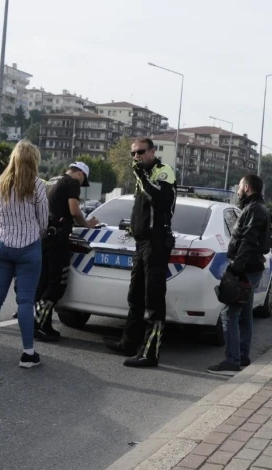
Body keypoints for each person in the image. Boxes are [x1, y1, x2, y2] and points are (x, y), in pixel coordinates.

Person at [0, 140, 49, 368]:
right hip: (29, 248)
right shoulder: (37, 186)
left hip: (1, 246)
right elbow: (44, 220)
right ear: (33, 161)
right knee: (25, 301)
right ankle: (28, 354)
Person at [104, 138, 176, 368]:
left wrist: (142, 176)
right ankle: (128, 343)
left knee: (153, 299)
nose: (136, 157)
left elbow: (160, 200)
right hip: (141, 243)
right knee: (135, 296)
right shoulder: (141, 177)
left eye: (140, 152)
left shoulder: (163, 172)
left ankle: (150, 353)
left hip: (156, 243)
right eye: (133, 154)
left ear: (152, 152)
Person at [207, 174, 271, 376]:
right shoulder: (258, 208)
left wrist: (236, 269)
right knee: (244, 314)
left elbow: (248, 241)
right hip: (250, 267)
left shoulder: (253, 210)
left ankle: (232, 360)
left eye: (240, 186)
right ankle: (242, 356)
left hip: (245, 269)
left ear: (248, 188)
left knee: (229, 313)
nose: (238, 190)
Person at [32, 162, 100, 341]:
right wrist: (87, 224)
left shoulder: (53, 182)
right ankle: (40, 325)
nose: (81, 182)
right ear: (80, 174)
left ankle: (36, 323)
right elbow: (74, 210)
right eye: (83, 179)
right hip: (58, 239)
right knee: (56, 284)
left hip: (45, 236)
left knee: (43, 281)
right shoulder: (72, 183)